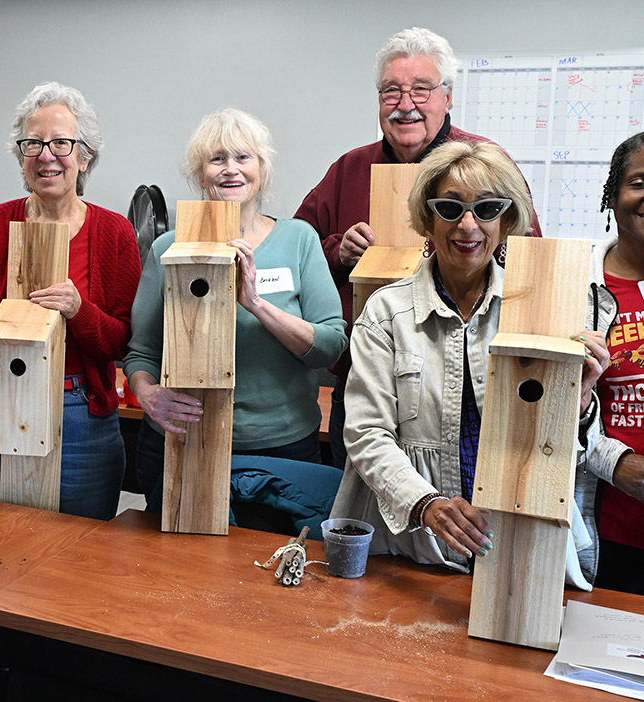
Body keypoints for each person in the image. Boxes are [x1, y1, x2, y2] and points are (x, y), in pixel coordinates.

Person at [330, 140, 607, 583]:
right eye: (450, 208)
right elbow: (366, 433)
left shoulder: (538, 311)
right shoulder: (386, 312)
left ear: (507, 220)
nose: (468, 225)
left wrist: (581, 397)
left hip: (515, 538)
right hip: (411, 546)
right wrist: (425, 504)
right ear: (427, 219)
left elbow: (561, 445)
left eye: (487, 208)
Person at [294, 27, 543, 470]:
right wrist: (338, 249)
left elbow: (530, 259)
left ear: (448, 97)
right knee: (362, 495)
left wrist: (480, 247)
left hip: (469, 386)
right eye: (391, 91)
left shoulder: (487, 164)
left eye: (421, 90)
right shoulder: (350, 168)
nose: (405, 104)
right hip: (364, 380)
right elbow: (298, 247)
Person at [125, 108, 347, 512]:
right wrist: (148, 394)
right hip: (181, 440)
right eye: (217, 159)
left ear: (261, 168)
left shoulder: (298, 239)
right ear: (200, 173)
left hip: (281, 447)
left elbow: (329, 346)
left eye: (243, 157)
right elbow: (142, 352)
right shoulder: (167, 248)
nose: (231, 169)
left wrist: (256, 303)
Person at [0, 82, 141, 520]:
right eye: (33, 143)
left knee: (79, 549)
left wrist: (79, 310)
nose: (46, 155)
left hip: (82, 417)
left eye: (61, 143)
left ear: (84, 156)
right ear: (21, 157)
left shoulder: (113, 232)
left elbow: (124, 341)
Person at [585, 132, 644, 593]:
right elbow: (547, 410)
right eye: (638, 182)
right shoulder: (577, 288)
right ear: (613, 194)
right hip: (608, 527)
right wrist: (615, 463)